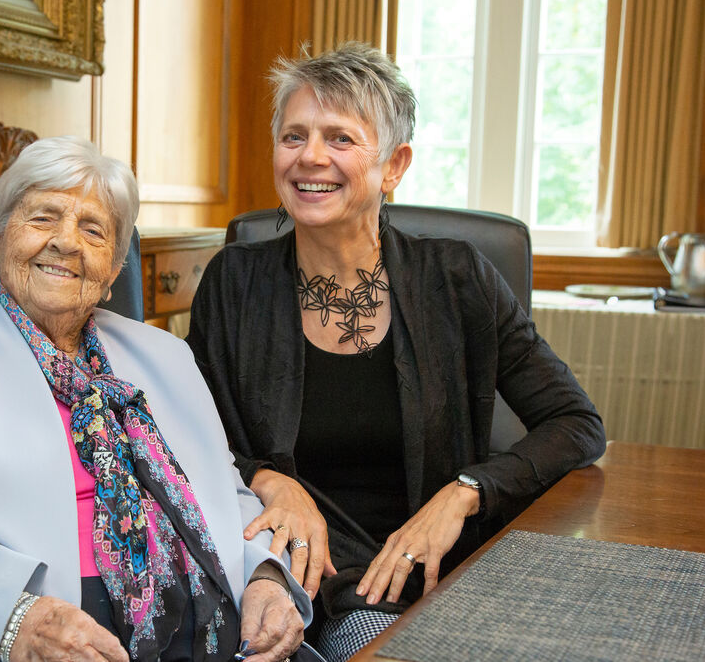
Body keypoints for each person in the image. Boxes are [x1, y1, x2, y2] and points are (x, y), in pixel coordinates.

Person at [0, 136, 315, 661]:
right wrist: (18, 618)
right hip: (43, 628)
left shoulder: (164, 355)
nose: (66, 242)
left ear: (114, 270)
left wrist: (264, 578)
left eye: (92, 230)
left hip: (215, 623)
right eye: (43, 218)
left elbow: (224, 494)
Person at [186, 43, 606, 661]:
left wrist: (464, 492)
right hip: (300, 575)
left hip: (441, 577)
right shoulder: (234, 283)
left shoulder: (457, 277)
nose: (310, 157)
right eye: (294, 135)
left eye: (340, 139)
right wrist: (270, 479)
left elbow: (577, 424)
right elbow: (183, 438)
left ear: (394, 165)